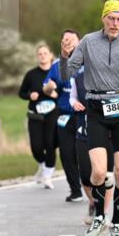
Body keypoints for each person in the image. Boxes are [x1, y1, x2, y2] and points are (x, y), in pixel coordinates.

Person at [60, 0, 119, 236]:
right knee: (99, 172)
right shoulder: (89, 42)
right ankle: (99, 214)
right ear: (103, 18)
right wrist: (64, 57)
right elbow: (67, 74)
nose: (115, 23)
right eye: (111, 18)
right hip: (96, 109)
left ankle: (116, 223)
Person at [70, 68, 114, 226]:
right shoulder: (77, 77)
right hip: (84, 131)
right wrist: (74, 103)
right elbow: (72, 97)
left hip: (106, 132)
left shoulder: (109, 74)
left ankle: (104, 213)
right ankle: (93, 202)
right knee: (86, 176)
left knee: (106, 174)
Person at [43, 30, 83, 201]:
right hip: (65, 115)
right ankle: (75, 190)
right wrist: (49, 87)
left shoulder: (88, 62)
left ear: (79, 42)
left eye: (72, 40)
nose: (69, 43)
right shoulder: (57, 65)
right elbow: (45, 87)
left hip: (84, 115)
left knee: (84, 155)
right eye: (65, 40)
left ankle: (92, 184)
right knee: (66, 154)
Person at [19, 43, 58, 189]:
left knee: (50, 144)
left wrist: (55, 94)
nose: (42, 56)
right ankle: (42, 165)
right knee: (36, 146)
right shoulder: (31, 74)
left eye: (45, 53)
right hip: (36, 115)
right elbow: (21, 93)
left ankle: (47, 176)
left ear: (51, 55)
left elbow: (64, 91)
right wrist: (30, 95)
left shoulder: (57, 73)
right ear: (37, 56)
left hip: (53, 114)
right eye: (40, 54)